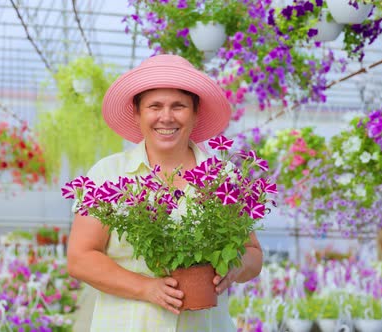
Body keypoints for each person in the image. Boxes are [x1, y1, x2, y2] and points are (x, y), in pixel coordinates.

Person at [67, 54, 263, 332]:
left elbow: (253, 254)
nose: (166, 117)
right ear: (137, 113)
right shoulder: (108, 174)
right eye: (154, 106)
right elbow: (80, 258)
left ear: (195, 113)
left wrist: (234, 268)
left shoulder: (223, 175)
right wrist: (146, 288)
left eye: (179, 106)